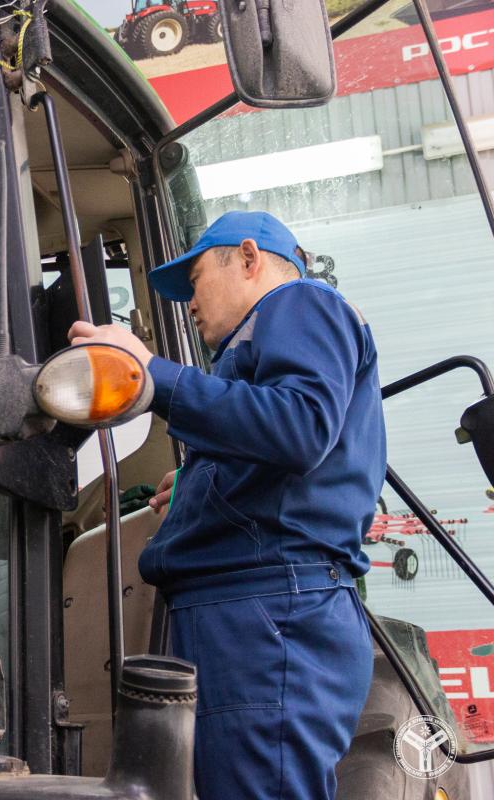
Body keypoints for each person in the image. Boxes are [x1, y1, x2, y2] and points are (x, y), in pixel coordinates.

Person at [69, 211, 384, 799]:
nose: (189, 303)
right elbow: (287, 447)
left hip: (268, 616)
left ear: (247, 257)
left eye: (193, 281)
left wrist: (150, 376)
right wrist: (199, 484)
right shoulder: (272, 336)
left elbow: (300, 427)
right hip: (256, 616)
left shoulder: (300, 302)